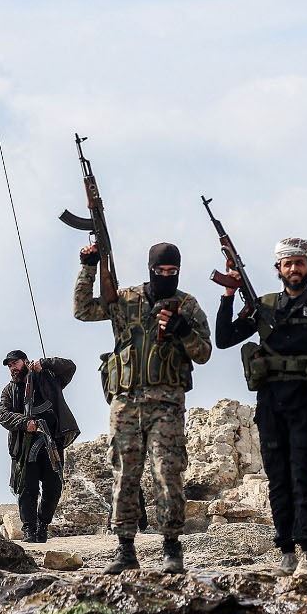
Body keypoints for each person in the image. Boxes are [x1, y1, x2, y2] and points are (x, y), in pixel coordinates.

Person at [216, 237, 307, 582]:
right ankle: (286, 551)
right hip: (270, 404)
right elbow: (224, 338)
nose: (294, 269)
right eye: (287, 263)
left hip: (306, 402)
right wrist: (229, 295)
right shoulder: (262, 306)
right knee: (277, 478)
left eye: (300, 263)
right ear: (279, 268)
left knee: (303, 476)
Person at [75, 241, 209, 574]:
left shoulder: (186, 305)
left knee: (168, 471)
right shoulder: (125, 300)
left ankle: (171, 547)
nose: (167, 276)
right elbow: (83, 310)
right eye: (161, 271)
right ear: (151, 269)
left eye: (173, 271)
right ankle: (125, 549)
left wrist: (183, 330)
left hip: (167, 402)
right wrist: (89, 267)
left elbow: (204, 352)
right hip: (126, 402)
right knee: (125, 473)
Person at [0, 351, 79, 545]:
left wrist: (45, 363)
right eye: (10, 365)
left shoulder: (48, 378)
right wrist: (25, 422)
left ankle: (43, 524)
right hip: (25, 446)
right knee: (27, 489)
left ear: (25, 361)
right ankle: (29, 529)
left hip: (51, 443)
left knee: (53, 488)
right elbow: (3, 415)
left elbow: (70, 367)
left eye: (15, 363)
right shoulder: (9, 391)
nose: (12, 368)